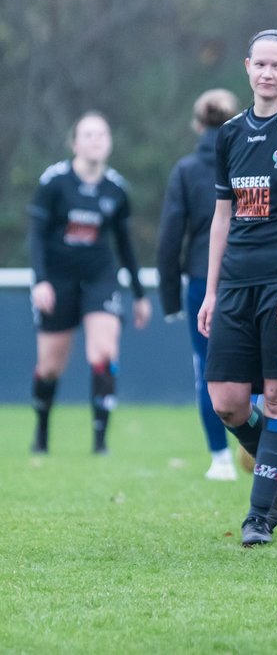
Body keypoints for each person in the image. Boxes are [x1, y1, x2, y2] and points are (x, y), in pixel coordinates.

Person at [198, 29, 277, 547]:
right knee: (226, 401)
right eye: (262, 65)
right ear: (248, 67)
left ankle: (259, 517)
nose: (269, 74)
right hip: (235, 285)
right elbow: (221, 219)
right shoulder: (229, 135)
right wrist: (210, 291)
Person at [29, 112, 152, 455]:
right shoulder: (54, 182)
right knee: (50, 366)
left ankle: (100, 442)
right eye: (88, 135)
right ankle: (41, 435)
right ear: (75, 143)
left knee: (103, 353)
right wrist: (40, 281)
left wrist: (140, 294)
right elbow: (36, 236)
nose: (96, 140)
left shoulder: (116, 188)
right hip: (57, 279)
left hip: (100, 278)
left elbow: (125, 245)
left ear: (110, 142)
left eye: (102, 134)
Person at [157, 89, 242, 479]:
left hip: (199, 283)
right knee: (253, 368)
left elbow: (169, 240)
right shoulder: (247, 160)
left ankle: (220, 458)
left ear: (196, 123)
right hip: (248, 277)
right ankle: (255, 444)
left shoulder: (186, 170)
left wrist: (171, 300)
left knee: (208, 369)